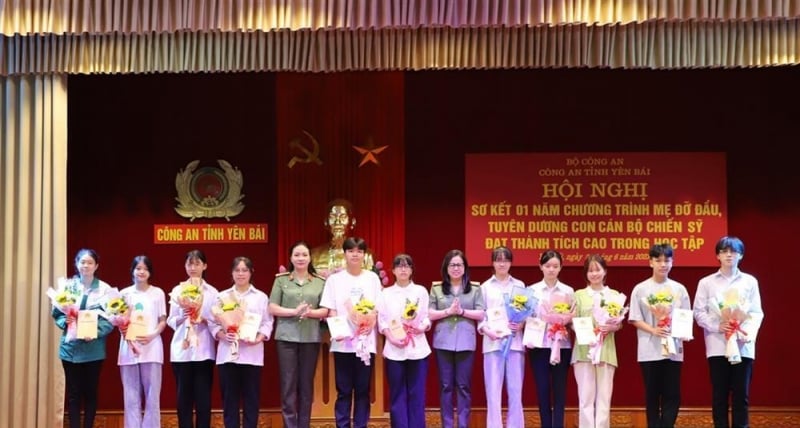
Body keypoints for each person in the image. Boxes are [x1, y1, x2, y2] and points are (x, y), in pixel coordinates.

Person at [693, 236, 764, 428]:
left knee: (742, 396)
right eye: (724, 251)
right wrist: (717, 326)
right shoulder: (706, 283)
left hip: (743, 347)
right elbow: (698, 312)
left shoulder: (750, 282)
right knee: (719, 396)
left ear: (740, 255)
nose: (729, 255)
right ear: (717, 255)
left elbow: (756, 312)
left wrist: (745, 332)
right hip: (717, 346)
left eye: (733, 251)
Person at [319, 237, 382, 428]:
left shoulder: (372, 278)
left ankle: (361, 425)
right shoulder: (334, 280)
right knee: (344, 390)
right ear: (344, 254)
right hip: (343, 343)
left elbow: (378, 307)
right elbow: (331, 310)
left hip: (365, 342)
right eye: (351, 251)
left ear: (364, 255)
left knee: (363, 390)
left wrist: (370, 323)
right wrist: (340, 329)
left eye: (359, 251)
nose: (355, 254)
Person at [629, 243, 692, 428]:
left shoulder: (679, 289)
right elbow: (634, 319)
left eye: (667, 260)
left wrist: (679, 331)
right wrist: (654, 329)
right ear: (650, 262)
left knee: (673, 394)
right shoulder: (640, 289)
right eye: (658, 260)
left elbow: (685, 317)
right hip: (649, 349)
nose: (663, 264)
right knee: (652, 394)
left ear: (672, 262)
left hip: (673, 350)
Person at [269, 241, 328, 428]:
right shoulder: (281, 280)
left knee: (306, 386)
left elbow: (325, 310)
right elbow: (272, 307)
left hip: (310, 338)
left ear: (310, 257)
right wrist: (294, 312)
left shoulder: (320, 282)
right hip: (286, 338)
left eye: (304, 255)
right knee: (288, 385)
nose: (301, 258)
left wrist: (310, 313)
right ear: (291, 257)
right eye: (297, 255)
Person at [52, 248, 114, 428]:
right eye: (82, 262)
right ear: (76, 264)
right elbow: (56, 313)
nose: (85, 266)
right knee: (73, 393)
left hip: (93, 350)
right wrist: (66, 320)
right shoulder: (67, 287)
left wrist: (95, 332)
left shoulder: (105, 289)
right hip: (70, 350)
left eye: (90, 263)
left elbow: (112, 319)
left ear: (96, 266)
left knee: (90, 393)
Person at [212, 256, 275, 428]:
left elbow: (268, 322)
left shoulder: (261, 297)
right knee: (229, 401)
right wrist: (222, 335)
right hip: (227, 355)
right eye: (237, 270)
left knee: (251, 401)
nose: (241, 274)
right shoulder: (222, 296)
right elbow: (213, 323)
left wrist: (259, 338)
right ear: (232, 273)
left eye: (244, 270)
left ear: (251, 272)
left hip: (252, 355)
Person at [428, 249, 484, 428]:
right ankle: (447, 424)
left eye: (459, 264)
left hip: (466, 343)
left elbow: (481, 312)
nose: (456, 268)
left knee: (463, 387)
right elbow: (429, 313)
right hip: (443, 342)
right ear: (446, 267)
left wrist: (462, 311)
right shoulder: (437, 288)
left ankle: (463, 425)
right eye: (452, 265)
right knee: (445, 386)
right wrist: (448, 311)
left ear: (465, 267)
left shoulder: (475, 289)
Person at [377, 254, 431, 428]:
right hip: (394, 350)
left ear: (411, 270)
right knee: (397, 393)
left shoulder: (420, 291)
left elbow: (426, 317)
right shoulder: (385, 293)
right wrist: (391, 337)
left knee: (417, 394)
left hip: (418, 349)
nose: (403, 269)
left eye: (407, 266)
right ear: (393, 270)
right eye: (399, 266)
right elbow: (382, 320)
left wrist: (421, 327)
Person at [571, 254, 624, 428]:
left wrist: (612, 327)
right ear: (586, 273)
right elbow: (572, 322)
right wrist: (583, 330)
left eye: (597, 270)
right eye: (590, 270)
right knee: (585, 399)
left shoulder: (614, 295)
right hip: (583, 352)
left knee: (604, 398)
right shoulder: (578, 295)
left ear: (605, 271)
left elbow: (619, 324)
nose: (594, 274)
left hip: (606, 351)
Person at [167, 250, 218, 428]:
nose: (193, 268)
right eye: (190, 264)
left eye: (197, 264)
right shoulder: (177, 291)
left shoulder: (212, 293)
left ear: (205, 266)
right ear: (185, 266)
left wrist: (202, 318)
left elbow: (217, 320)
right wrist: (185, 314)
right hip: (182, 351)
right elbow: (170, 320)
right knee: (183, 400)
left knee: (204, 400)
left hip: (204, 351)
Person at [477, 246, 528, 428]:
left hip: (514, 344)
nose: (502, 263)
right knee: (493, 391)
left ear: (510, 263)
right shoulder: (484, 287)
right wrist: (486, 330)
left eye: (505, 260)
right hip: (492, 344)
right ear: (492, 262)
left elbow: (525, 314)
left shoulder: (519, 285)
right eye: (498, 260)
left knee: (515, 391)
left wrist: (521, 324)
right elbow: (480, 316)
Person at [527, 250, 575, 428]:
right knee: (542, 391)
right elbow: (527, 316)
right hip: (539, 345)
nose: (551, 270)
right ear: (541, 266)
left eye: (555, 266)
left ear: (561, 267)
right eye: (547, 266)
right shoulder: (532, 290)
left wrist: (565, 322)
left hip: (561, 346)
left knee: (560, 392)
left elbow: (572, 319)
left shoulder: (568, 291)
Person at [117, 255, 167, 428]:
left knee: (152, 397)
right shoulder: (124, 294)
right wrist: (123, 329)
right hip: (129, 349)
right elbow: (119, 320)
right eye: (138, 268)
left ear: (150, 272)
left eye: (145, 268)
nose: (141, 272)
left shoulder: (157, 293)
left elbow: (163, 320)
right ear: (132, 271)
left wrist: (152, 335)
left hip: (152, 348)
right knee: (130, 396)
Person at [310, 199, 374, 273]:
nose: (337, 222)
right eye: (332, 217)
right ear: (326, 222)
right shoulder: (314, 255)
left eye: (343, 217)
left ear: (352, 222)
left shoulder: (366, 255)